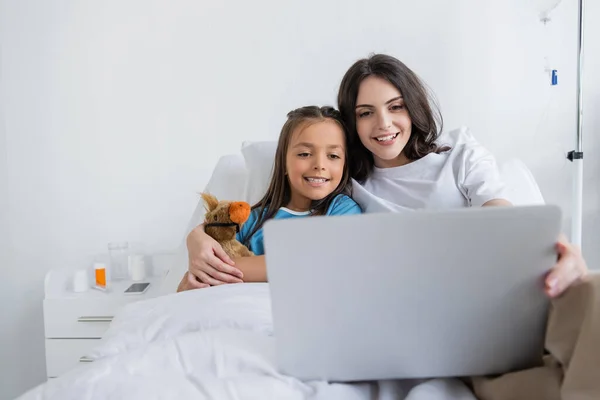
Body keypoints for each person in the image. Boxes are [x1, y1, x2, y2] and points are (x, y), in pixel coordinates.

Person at [185, 54, 588, 297]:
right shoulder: (349, 183)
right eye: (365, 113)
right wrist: (196, 238)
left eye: (396, 107)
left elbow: (504, 215)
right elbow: (227, 233)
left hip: (493, 285)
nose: (384, 124)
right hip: (422, 304)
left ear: (413, 106)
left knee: (590, 297)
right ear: (352, 124)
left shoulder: (460, 153)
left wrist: (557, 248)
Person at [178, 105, 361, 291]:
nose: (320, 165)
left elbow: (311, 263)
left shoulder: (342, 210)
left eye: (333, 155)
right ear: (284, 162)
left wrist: (218, 269)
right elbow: (196, 275)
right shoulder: (252, 220)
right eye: (304, 154)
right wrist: (197, 242)